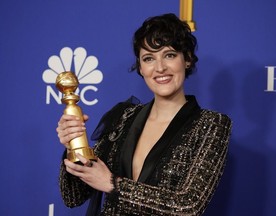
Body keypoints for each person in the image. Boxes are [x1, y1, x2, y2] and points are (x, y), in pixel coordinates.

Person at [56, 13, 232, 216]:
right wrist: (72, 145)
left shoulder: (212, 124)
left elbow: (189, 206)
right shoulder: (124, 117)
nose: (160, 68)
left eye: (170, 55)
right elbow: (73, 197)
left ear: (188, 60)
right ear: (141, 68)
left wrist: (114, 184)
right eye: (149, 58)